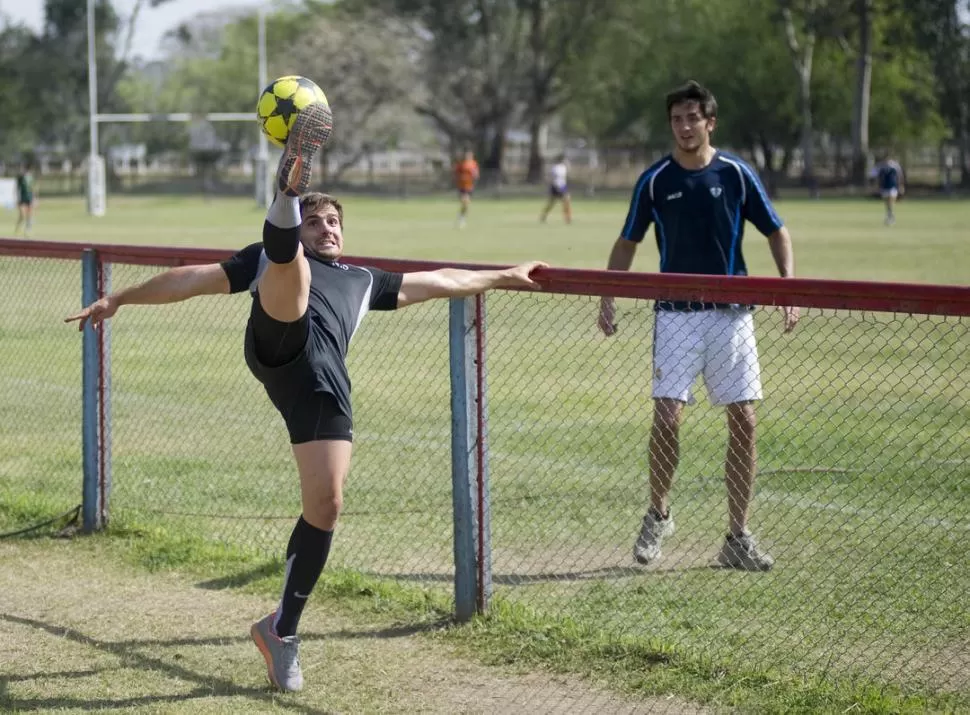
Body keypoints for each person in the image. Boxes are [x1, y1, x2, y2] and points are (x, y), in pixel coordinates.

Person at [65, 102, 546, 692]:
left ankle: (280, 630)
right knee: (285, 265)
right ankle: (286, 189)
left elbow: (443, 280)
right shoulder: (268, 255)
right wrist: (122, 298)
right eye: (318, 221)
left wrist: (503, 275)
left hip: (321, 381)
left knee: (327, 504)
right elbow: (191, 278)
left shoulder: (366, 280)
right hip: (277, 337)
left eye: (333, 223)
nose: (330, 230)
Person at [597, 80, 799, 572]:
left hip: (732, 316)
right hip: (676, 316)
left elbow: (776, 230)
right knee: (667, 418)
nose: (685, 127)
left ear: (710, 122)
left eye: (693, 118)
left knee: (745, 421)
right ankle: (659, 513)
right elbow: (628, 242)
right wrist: (607, 294)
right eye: (677, 119)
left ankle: (737, 536)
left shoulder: (735, 173)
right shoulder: (654, 179)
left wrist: (788, 287)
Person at [539, 154, 572, 224]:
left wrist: (568, 165)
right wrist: (556, 187)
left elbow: (567, 174)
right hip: (556, 186)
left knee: (567, 201)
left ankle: (567, 218)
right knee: (551, 203)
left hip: (563, 186)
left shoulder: (564, 167)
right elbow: (553, 178)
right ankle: (544, 216)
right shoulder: (555, 168)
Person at [873, 153, 905, 225]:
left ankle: (891, 217)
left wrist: (901, 186)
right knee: (887, 204)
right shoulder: (881, 167)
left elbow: (900, 177)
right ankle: (890, 216)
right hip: (884, 187)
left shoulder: (895, 166)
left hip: (893, 187)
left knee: (891, 202)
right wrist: (877, 186)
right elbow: (877, 177)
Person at [454, 150, 480, 228]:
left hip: (469, 186)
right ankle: (462, 217)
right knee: (465, 201)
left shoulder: (473, 164)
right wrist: (459, 179)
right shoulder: (461, 164)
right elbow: (456, 173)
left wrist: (474, 174)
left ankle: (462, 216)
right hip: (461, 186)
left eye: (470, 155)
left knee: (466, 204)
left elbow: (476, 174)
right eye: (467, 155)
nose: (468, 157)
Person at [14, 162, 36, 237]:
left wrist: (34, 198)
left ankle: (27, 230)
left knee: (29, 215)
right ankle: (18, 228)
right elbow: (17, 188)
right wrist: (16, 198)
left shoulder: (31, 177)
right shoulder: (20, 178)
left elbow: (32, 188)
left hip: (29, 197)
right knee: (22, 215)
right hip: (22, 198)